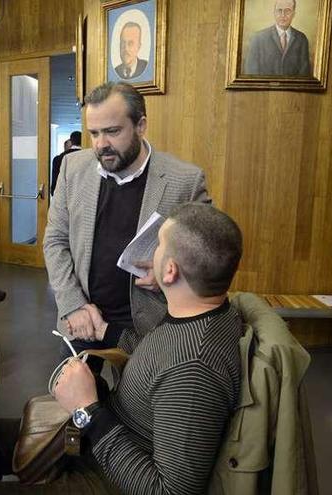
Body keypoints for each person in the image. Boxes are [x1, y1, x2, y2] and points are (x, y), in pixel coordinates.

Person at [0, 203, 245, 493]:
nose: (152, 254)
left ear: (170, 271)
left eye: (158, 245)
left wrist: (87, 410)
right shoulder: (200, 312)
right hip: (103, 440)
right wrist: (103, 331)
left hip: (104, 477)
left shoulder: (195, 370)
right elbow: (156, 353)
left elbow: (170, 491)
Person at [44, 82, 210, 366]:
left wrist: (172, 274)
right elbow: (55, 240)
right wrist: (73, 306)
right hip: (84, 315)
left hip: (147, 326)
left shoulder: (185, 181)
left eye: (112, 131)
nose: (100, 144)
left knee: (136, 408)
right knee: (68, 402)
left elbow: (207, 252)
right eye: (94, 133)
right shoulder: (73, 169)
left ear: (140, 125)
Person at [244, 0, 313, 76]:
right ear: (274, 13)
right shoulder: (258, 38)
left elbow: (304, 75)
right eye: (279, 10)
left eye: (287, 11)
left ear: (294, 14)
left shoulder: (301, 39)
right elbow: (251, 74)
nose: (283, 15)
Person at [51, 131, 83, 196]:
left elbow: (55, 185)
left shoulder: (58, 159)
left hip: (63, 196)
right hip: (82, 197)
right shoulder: (88, 157)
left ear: (71, 141)